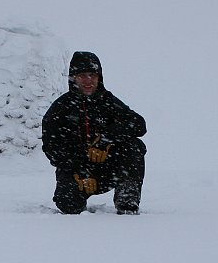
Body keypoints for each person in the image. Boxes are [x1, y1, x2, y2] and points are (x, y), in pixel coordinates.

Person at [41, 51, 147, 214]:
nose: (88, 81)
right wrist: (80, 170)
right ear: (73, 78)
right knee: (69, 206)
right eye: (82, 75)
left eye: (92, 75)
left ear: (99, 77)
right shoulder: (61, 108)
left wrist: (105, 140)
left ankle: (127, 203)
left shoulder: (107, 101)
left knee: (134, 146)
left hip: (108, 171)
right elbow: (51, 148)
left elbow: (139, 125)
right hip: (76, 173)